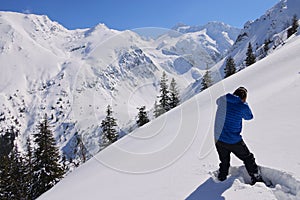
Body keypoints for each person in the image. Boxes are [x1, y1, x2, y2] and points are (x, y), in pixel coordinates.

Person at [214, 86, 263, 185]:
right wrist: (244, 103)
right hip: (233, 140)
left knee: (224, 160)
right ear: (244, 98)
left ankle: (221, 177)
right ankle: (256, 177)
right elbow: (249, 116)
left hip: (218, 139)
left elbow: (217, 101)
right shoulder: (242, 106)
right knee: (248, 158)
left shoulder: (223, 100)